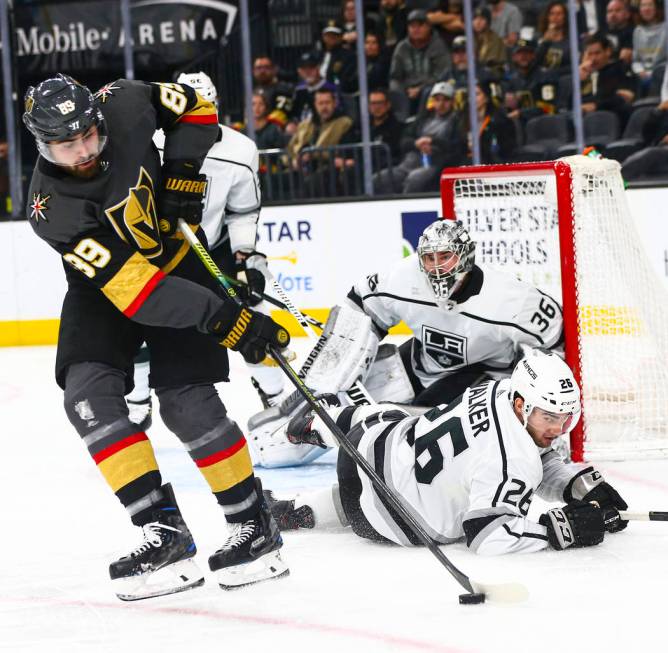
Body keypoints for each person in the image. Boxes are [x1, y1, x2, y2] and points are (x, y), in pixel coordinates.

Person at [22, 73, 291, 599]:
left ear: (99, 120)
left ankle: (254, 526)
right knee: (87, 399)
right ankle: (162, 531)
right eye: (65, 145)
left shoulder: (124, 100)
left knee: (186, 403)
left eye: (88, 137)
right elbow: (137, 293)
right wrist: (227, 320)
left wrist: (185, 173)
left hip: (175, 262)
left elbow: (196, 107)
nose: (81, 153)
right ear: (41, 144)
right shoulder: (51, 209)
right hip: (109, 287)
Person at [248, 219, 563, 468]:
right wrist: (339, 369)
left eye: (446, 257)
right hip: (417, 364)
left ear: (465, 256)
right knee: (274, 449)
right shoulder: (403, 277)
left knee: (414, 444)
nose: (437, 267)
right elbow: (361, 309)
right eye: (429, 258)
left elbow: (558, 348)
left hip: (481, 379)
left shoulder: (513, 301)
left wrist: (548, 416)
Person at [264, 350, 629, 556]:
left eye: (566, 418)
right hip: (397, 523)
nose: (558, 428)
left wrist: (577, 486)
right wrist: (559, 530)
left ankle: (321, 431)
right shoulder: (510, 460)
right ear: (522, 405)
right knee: (429, 503)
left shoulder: (500, 390)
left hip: (368, 449)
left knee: (393, 416)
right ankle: (302, 507)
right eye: (550, 417)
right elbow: (487, 534)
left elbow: (536, 453)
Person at [126, 72, 292, 422]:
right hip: (159, 246)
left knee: (253, 310)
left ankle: (277, 396)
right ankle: (138, 400)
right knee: (137, 313)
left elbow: (243, 212)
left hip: (213, 245)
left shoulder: (241, 150)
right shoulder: (150, 144)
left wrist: (246, 255)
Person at [374, 82, 466, 194]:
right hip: (410, 162)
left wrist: (432, 141)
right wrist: (416, 144)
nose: (441, 104)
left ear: (452, 101)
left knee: (415, 179)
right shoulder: (422, 118)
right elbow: (404, 141)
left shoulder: (457, 121)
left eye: (445, 100)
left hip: (436, 164)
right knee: (379, 179)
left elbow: (456, 146)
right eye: (437, 99)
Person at [389, 9, 451, 116]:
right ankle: (401, 121)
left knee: (429, 91)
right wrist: (405, 89)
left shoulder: (438, 45)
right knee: (394, 88)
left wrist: (420, 88)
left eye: (420, 25)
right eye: (412, 26)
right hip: (406, 89)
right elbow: (395, 76)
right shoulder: (401, 48)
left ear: (428, 27)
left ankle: (422, 122)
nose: (416, 29)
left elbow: (443, 73)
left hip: (429, 87)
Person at [579, 32, 635, 125]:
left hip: (612, 121)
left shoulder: (619, 69)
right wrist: (580, 81)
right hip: (586, 122)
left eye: (597, 53)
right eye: (590, 54)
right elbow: (571, 103)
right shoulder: (584, 74)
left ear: (608, 51)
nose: (593, 58)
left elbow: (621, 98)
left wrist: (596, 105)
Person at [505, 38, 559, 123]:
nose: (523, 56)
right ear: (514, 58)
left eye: (527, 53)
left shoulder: (546, 76)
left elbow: (549, 107)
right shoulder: (511, 81)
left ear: (533, 55)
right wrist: (508, 105)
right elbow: (508, 108)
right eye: (519, 54)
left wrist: (521, 113)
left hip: (545, 123)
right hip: (519, 125)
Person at [288, 51, 340, 135]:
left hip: (324, 128)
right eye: (304, 69)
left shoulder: (331, 88)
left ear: (318, 68)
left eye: (311, 68)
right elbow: (293, 113)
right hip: (301, 130)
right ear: (299, 71)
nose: (308, 72)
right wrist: (292, 123)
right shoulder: (298, 90)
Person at [631, 0, 666, 93]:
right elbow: (636, 60)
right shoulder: (637, 31)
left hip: (662, 72)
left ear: (657, 8)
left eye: (650, 5)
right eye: (643, 5)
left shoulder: (666, 28)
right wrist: (640, 71)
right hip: (643, 73)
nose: (646, 9)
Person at [252, 55, 295, 131]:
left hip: (276, 130)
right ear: (253, 71)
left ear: (274, 69)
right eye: (259, 68)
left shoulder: (283, 89)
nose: (262, 71)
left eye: (266, 67)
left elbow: (280, 115)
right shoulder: (252, 91)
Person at [535, 1, 572, 73]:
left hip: (562, 79)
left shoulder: (571, 40)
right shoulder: (537, 38)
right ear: (547, 17)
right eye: (552, 14)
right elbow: (534, 62)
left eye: (559, 14)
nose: (555, 17)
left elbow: (573, 65)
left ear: (565, 17)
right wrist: (545, 42)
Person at [603, 0, 635, 64]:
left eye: (617, 10)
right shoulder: (601, 32)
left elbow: (624, 57)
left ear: (627, 14)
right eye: (609, 11)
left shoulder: (633, 32)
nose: (613, 14)